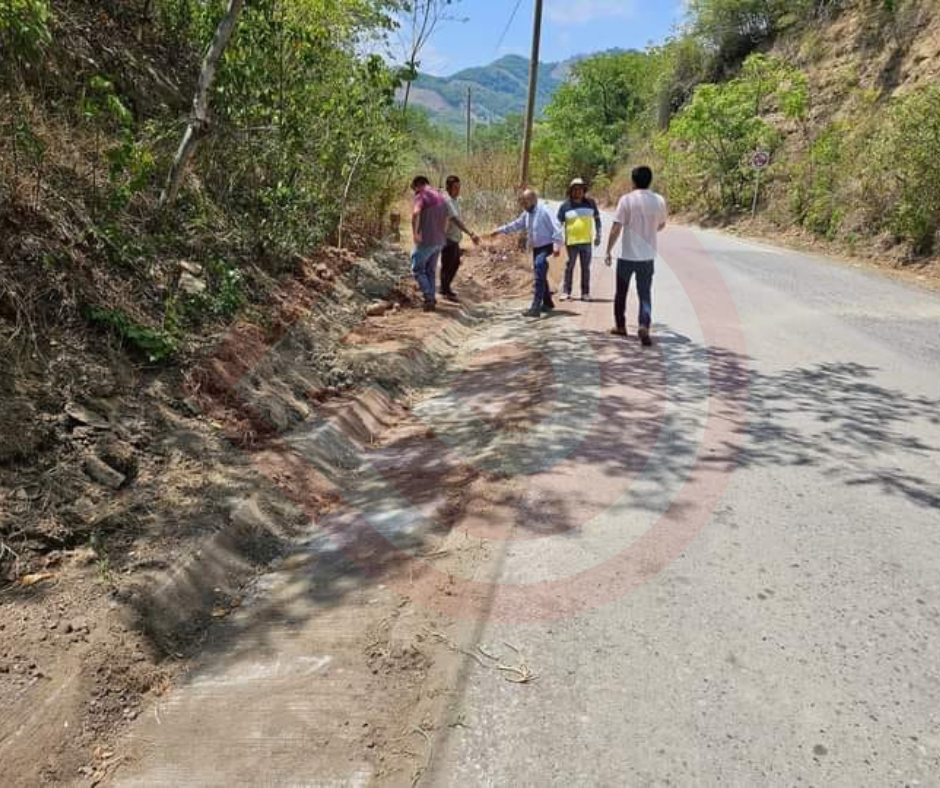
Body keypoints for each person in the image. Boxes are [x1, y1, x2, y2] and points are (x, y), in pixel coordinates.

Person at [604, 166, 668, 346]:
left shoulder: (626, 200)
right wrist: (650, 230)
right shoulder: (659, 200)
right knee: (645, 293)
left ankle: (620, 326)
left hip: (626, 256)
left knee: (621, 293)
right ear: (650, 180)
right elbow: (662, 224)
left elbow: (617, 227)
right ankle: (644, 325)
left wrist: (608, 250)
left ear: (633, 181)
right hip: (647, 257)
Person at [489, 189, 563, 318]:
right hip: (537, 249)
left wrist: (557, 245)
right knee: (540, 274)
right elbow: (516, 224)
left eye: (525, 203)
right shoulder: (527, 213)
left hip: (547, 247)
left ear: (533, 199)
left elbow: (556, 226)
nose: (523, 206)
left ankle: (535, 308)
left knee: (539, 271)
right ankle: (547, 303)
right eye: (522, 203)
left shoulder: (545, 210)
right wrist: (500, 230)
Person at [557, 178, 602, 302]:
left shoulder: (591, 203)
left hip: (586, 242)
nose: (577, 191)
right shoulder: (565, 206)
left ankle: (585, 293)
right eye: (575, 189)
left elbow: (597, 220)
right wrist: (556, 239)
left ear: (584, 190)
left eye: (580, 189)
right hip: (571, 242)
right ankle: (566, 292)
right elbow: (558, 223)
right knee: (569, 267)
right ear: (571, 191)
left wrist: (598, 235)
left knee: (585, 268)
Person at [410, 175, 450, 312]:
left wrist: (415, 233)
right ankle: (431, 298)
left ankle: (428, 297)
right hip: (439, 240)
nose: (414, 192)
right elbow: (448, 217)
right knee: (430, 270)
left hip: (426, 240)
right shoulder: (441, 196)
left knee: (417, 269)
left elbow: (416, 213)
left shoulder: (422, 195)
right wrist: (443, 232)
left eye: (414, 189)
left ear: (418, 185)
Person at [440, 175, 481, 303]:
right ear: (448, 187)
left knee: (455, 263)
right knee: (448, 264)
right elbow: (455, 219)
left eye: (459, 187)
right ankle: (445, 290)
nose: (458, 190)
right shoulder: (447, 201)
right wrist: (471, 233)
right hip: (447, 238)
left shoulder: (455, 200)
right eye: (455, 188)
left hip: (454, 238)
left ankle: (445, 288)